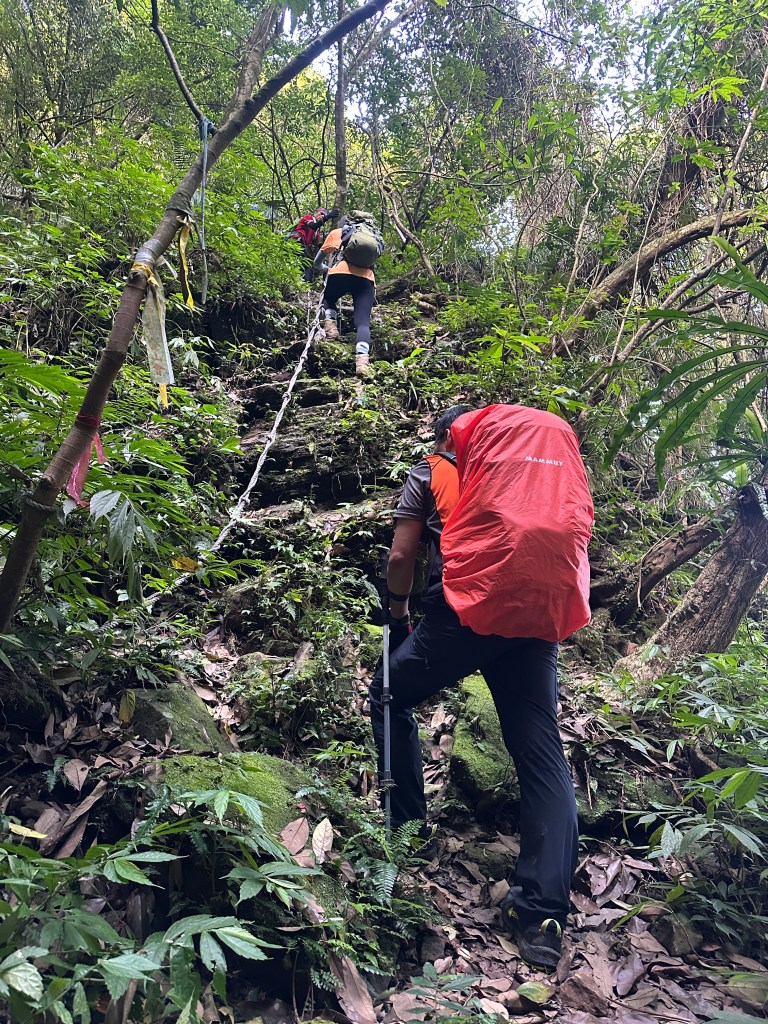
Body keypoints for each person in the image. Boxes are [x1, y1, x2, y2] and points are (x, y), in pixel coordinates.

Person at [368, 405, 581, 972]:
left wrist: (398, 614)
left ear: (449, 435)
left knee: (387, 693)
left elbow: (401, 555)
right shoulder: (533, 477)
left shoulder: (433, 468)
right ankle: (543, 916)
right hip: (537, 616)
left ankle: (407, 834)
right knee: (540, 750)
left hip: (466, 613)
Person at [313, 212, 382, 376]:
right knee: (363, 323)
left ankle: (331, 328)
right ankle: (362, 363)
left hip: (340, 274)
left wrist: (326, 269)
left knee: (329, 298)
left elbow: (317, 262)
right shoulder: (375, 237)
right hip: (366, 280)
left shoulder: (339, 232)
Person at [287, 207, 339, 283]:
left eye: (324, 215)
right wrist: (327, 217)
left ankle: (302, 283)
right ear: (315, 213)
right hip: (295, 242)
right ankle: (306, 284)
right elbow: (313, 226)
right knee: (306, 265)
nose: (322, 216)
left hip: (302, 247)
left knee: (307, 265)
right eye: (321, 213)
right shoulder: (308, 218)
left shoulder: (317, 233)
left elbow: (314, 245)